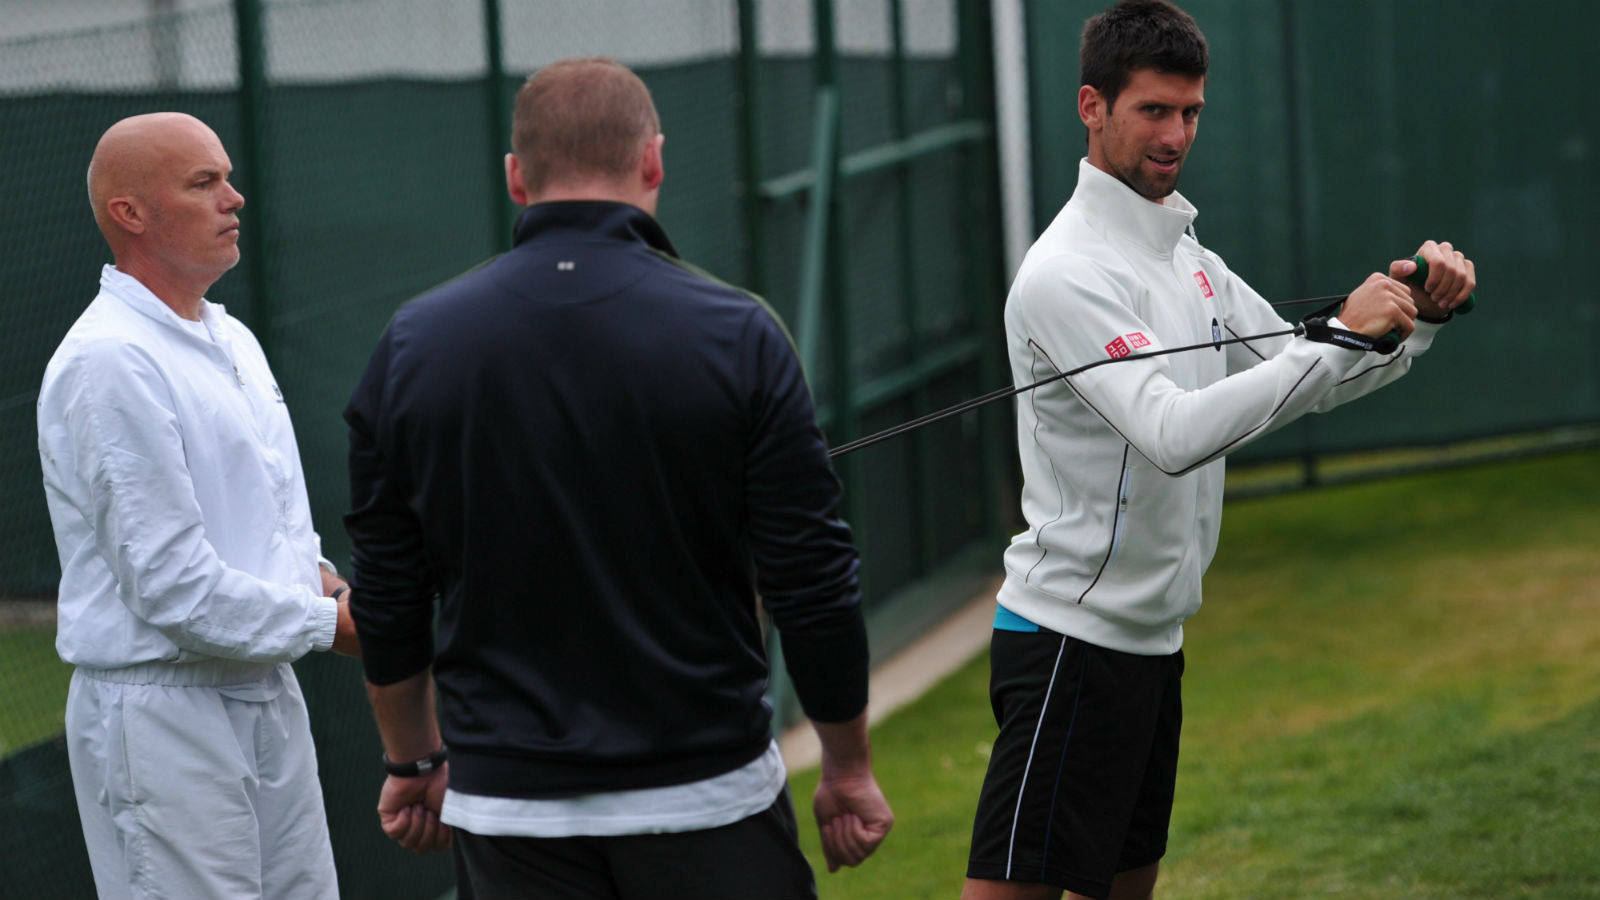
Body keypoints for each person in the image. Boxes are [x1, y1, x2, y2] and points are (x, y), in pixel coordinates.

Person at [343, 57, 893, 899]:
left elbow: (389, 588)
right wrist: (847, 765)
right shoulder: (738, 334)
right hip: (707, 801)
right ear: (655, 161)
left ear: (516, 177)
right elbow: (811, 579)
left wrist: (414, 758)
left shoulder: (414, 343)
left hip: (511, 816)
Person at [962, 3, 1476, 899]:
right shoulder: (1064, 272)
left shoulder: (1190, 258)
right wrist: (1339, 339)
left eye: (1191, 112)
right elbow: (1168, 434)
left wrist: (1412, 326)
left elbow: (1303, 372)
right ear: (1092, 105)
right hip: (1066, 643)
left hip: (1152, 645)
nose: (1176, 135)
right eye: (1153, 111)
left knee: (1129, 886)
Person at [37, 112, 360, 900]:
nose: (234, 198)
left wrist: (332, 588)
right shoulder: (108, 361)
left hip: (266, 692)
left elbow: (277, 528)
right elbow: (174, 588)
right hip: (161, 721)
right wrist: (341, 626)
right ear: (131, 213)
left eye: (228, 177)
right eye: (204, 182)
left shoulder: (233, 339)